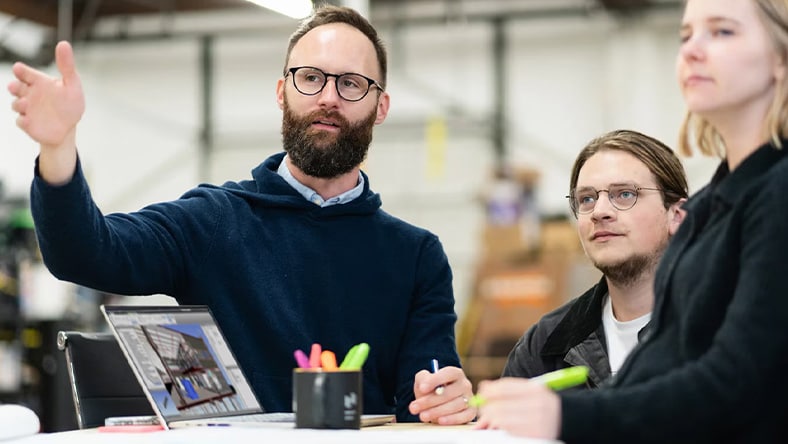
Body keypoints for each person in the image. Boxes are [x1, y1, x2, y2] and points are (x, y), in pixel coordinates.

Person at [7, 5, 475, 424]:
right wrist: (58, 146)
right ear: (281, 91)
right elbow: (84, 254)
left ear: (380, 107)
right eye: (311, 77)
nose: (328, 97)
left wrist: (444, 400)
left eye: (351, 83)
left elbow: (425, 397)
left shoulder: (416, 256)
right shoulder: (213, 222)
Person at [475, 0, 788, 441]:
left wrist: (567, 417)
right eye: (685, 35)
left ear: (781, 57)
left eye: (722, 32)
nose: (693, 50)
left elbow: (738, 381)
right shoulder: (713, 207)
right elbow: (655, 370)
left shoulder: (775, 192)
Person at [502, 129, 687, 388]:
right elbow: (501, 424)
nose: (599, 212)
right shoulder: (546, 345)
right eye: (586, 199)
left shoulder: (724, 328)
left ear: (677, 215)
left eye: (624, 194)